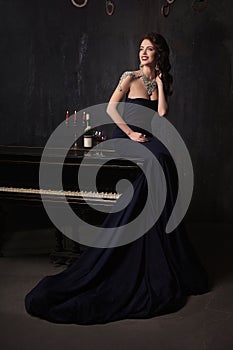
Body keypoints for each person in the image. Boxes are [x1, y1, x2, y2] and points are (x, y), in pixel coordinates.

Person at [25, 32, 209, 325]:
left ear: (159, 54)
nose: (143, 53)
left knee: (166, 160)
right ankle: (136, 232)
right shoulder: (129, 77)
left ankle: (157, 235)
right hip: (125, 134)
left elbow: (161, 114)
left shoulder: (158, 80)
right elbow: (110, 109)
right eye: (141, 49)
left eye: (149, 49)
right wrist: (131, 134)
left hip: (149, 135)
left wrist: (160, 84)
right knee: (156, 160)